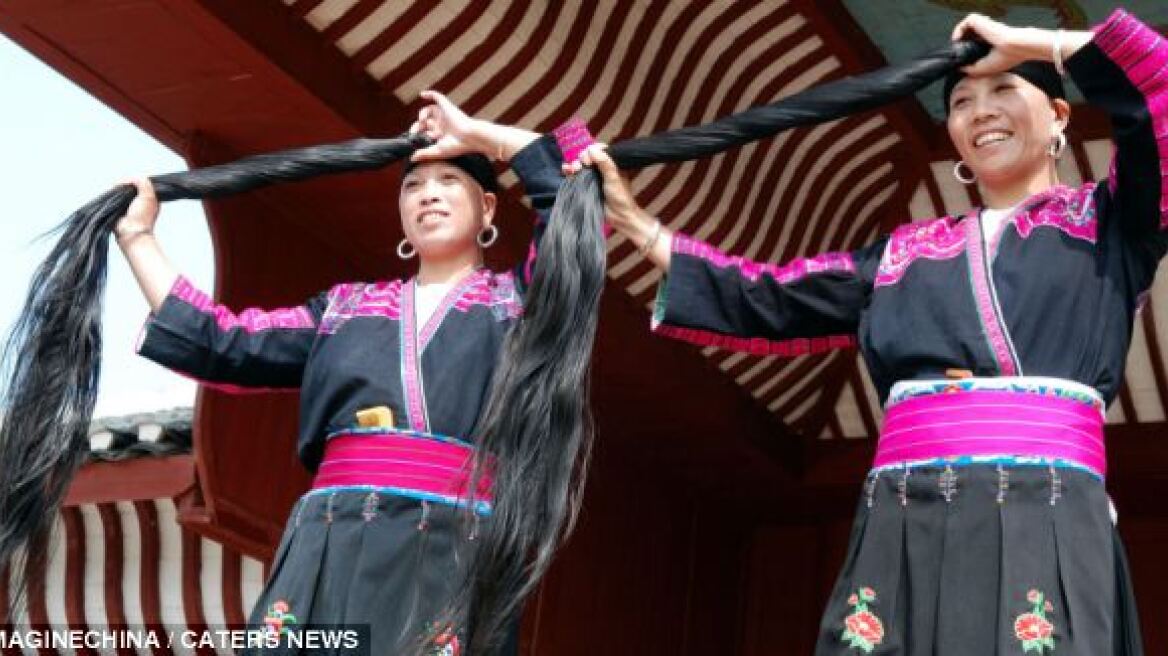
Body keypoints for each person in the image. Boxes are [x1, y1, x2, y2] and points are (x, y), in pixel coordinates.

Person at [572, 8, 1162, 654]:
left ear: (1060, 115)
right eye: (962, 100)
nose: (981, 110)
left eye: (1003, 89)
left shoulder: (1111, 223)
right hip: (907, 517)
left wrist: (1035, 43)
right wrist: (632, 222)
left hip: (1043, 509)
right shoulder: (903, 253)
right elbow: (766, 295)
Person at [115, 91, 577, 654]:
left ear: (487, 208)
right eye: (412, 185)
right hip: (329, 538)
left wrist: (476, 133)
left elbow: (571, 201)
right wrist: (137, 238)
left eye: (449, 181)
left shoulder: (520, 303)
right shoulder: (343, 310)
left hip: (453, 548)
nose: (427, 194)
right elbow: (223, 341)